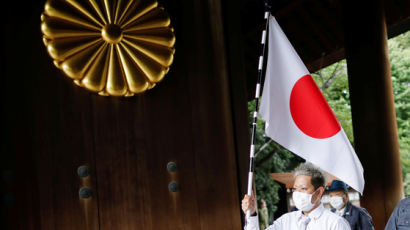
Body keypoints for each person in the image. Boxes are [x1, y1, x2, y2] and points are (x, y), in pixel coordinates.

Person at [242, 162, 351, 230]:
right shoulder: (286, 221)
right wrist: (252, 213)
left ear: (319, 192)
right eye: (295, 189)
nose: (297, 194)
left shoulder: (335, 224)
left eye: (303, 189)